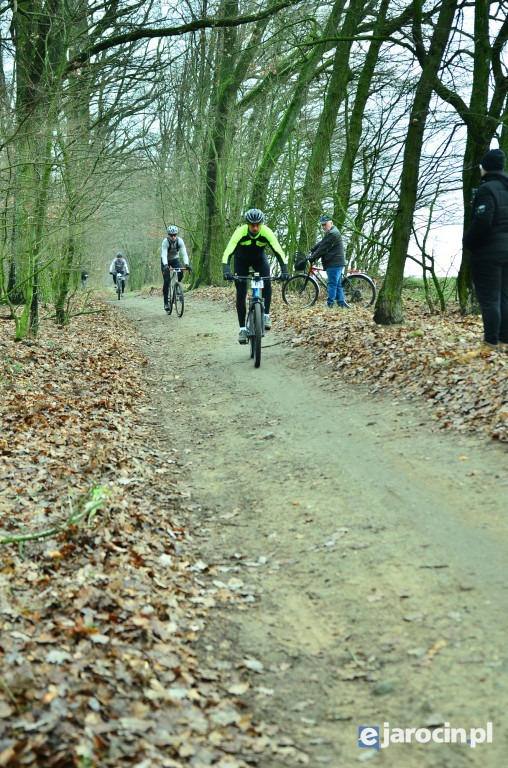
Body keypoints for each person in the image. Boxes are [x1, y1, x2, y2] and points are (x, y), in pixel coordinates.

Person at [463, 148, 508, 352]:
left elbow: (483, 220)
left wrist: (468, 242)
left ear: (485, 167)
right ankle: (503, 341)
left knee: (490, 299)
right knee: (505, 297)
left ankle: (490, 344)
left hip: (489, 253)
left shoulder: (486, 189)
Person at [222, 209, 289, 343]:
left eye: (258, 225)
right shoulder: (240, 232)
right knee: (241, 292)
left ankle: (266, 315)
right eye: (252, 225)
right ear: (247, 224)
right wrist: (226, 271)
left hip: (259, 259)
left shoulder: (266, 231)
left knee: (267, 281)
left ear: (261, 224)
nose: (255, 227)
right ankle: (242, 329)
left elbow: (278, 250)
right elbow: (228, 251)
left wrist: (285, 270)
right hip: (241, 260)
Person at [309, 215, 347, 308]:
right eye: (322, 225)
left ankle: (330, 304)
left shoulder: (332, 234)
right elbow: (321, 243)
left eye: (325, 224)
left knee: (332, 284)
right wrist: (312, 249)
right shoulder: (332, 232)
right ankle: (341, 304)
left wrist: (312, 258)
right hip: (337, 262)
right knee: (337, 284)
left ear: (331, 223)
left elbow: (322, 248)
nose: (323, 227)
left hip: (334, 262)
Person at [161, 225, 192, 311]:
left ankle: (177, 286)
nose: (173, 236)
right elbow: (163, 255)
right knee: (166, 280)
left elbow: (184, 253)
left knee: (181, 272)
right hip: (165, 260)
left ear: (177, 234)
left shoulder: (180, 241)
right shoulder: (165, 242)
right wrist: (166, 265)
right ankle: (166, 303)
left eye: (175, 234)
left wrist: (187, 264)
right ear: (168, 235)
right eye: (171, 235)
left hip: (175, 259)